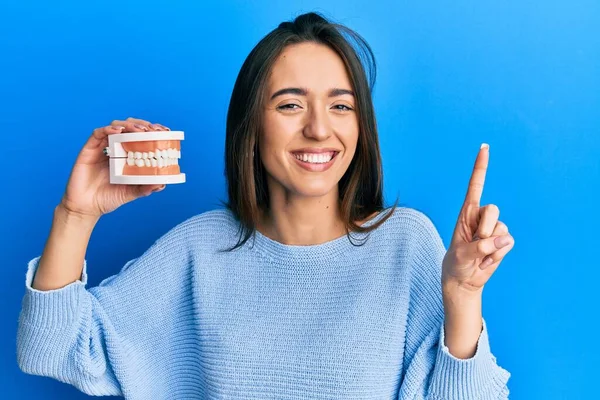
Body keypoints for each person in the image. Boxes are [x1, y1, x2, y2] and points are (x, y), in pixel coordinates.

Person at [16, 12, 514, 399]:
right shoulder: (201, 249)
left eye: (341, 105)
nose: (320, 129)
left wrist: (463, 294)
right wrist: (76, 214)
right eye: (290, 104)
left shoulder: (405, 243)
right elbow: (51, 349)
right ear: (252, 128)